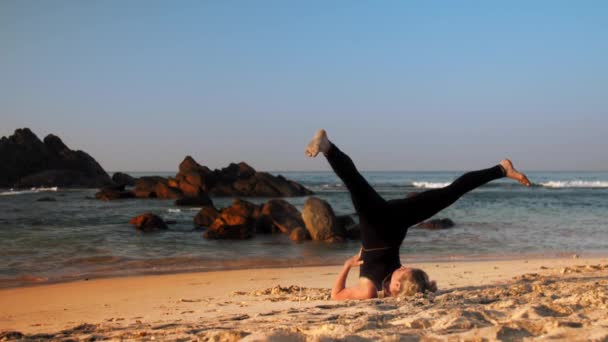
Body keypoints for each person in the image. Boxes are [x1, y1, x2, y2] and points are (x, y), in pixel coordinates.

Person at [305, 129, 531, 300]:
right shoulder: (395, 281)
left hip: (379, 222)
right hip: (395, 221)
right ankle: (502, 169)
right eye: (405, 268)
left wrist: (347, 265)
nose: (401, 267)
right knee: (450, 193)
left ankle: (328, 148)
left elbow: (337, 295)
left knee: (354, 182)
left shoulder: (368, 290)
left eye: (402, 271)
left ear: (395, 288)